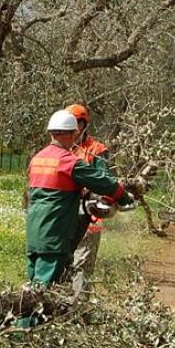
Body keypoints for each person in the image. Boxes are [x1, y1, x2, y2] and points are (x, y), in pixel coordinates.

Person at [26, 109, 139, 293]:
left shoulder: (37, 159)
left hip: (34, 232)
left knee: (32, 288)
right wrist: (124, 198)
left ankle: (25, 319)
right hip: (56, 233)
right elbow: (104, 182)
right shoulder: (70, 162)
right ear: (72, 134)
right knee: (43, 294)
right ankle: (29, 322)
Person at [66, 103, 111, 296]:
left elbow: (104, 180)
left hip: (88, 215)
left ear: (84, 125)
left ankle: (78, 310)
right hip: (62, 215)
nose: (73, 129)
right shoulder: (59, 147)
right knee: (61, 262)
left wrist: (87, 188)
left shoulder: (97, 150)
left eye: (77, 124)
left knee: (82, 265)